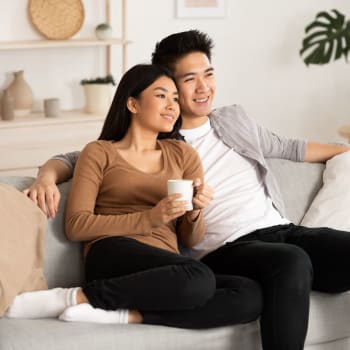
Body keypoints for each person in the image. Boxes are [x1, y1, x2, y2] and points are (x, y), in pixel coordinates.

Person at [22, 30, 350, 349]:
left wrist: (344, 151)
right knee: (290, 262)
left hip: (282, 231)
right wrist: (46, 175)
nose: (203, 87)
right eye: (188, 80)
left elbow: (293, 148)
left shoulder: (233, 121)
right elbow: (80, 158)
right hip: (228, 250)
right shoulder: (158, 138)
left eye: (208, 74)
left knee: (295, 265)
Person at [6, 63, 262, 329]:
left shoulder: (184, 155)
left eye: (175, 98)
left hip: (167, 264)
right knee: (198, 277)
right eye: (162, 96)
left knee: (249, 294)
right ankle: (71, 297)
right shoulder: (99, 152)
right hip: (112, 251)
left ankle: (122, 314)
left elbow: (190, 238)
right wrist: (150, 217)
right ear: (132, 104)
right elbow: (76, 225)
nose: (173, 105)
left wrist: (195, 212)